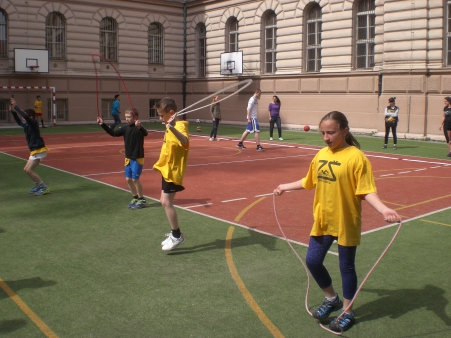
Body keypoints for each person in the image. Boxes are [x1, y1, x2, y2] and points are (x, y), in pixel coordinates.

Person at [274, 111, 401, 333]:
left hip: (346, 221)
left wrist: (383, 209)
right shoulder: (321, 154)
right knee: (313, 261)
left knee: (346, 267)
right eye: (322, 132)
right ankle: (331, 298)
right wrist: (285, 186)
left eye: (331, 132)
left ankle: (348, 311)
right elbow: (308, 181)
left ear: (344, 131)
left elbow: (366, 190)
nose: (326, 137)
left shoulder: (356, 157)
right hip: (323, 219)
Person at [154, 98, 190, 251]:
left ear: (171, 113)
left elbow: (185, 142)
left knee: (167, 203)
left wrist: (173, 127)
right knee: (163, 201)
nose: (160, 119)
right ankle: (174, 233)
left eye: (162, 116)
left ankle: (177, 236)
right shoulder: (169, 125)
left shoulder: (179, 125)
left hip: (173, 172)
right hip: (166, 169)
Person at [97, 107, 148, 209]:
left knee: (135, 179)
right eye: (126, 117)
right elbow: (113, 133)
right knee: (128, 179)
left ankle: (142, 199)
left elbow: (145, 133)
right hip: (128, 158)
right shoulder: (125, 128)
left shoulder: (138, 128)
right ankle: (135, 197)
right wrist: (102, 124)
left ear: (135, 117)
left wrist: (140, 126)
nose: (127, 119)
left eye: (129, 117)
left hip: (137, 158)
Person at [10, 98, 50, 195]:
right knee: (26, 170)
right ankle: (38, 185)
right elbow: (20, 122)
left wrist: (16, 106)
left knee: (29, 170)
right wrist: (13, 112)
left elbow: (24, 116)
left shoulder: (34, 123)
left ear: (30, 117)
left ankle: (44, 187)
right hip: (34, 151)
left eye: (25, 116)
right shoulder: (27, 125)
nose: (23, 118)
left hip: (39, 150)